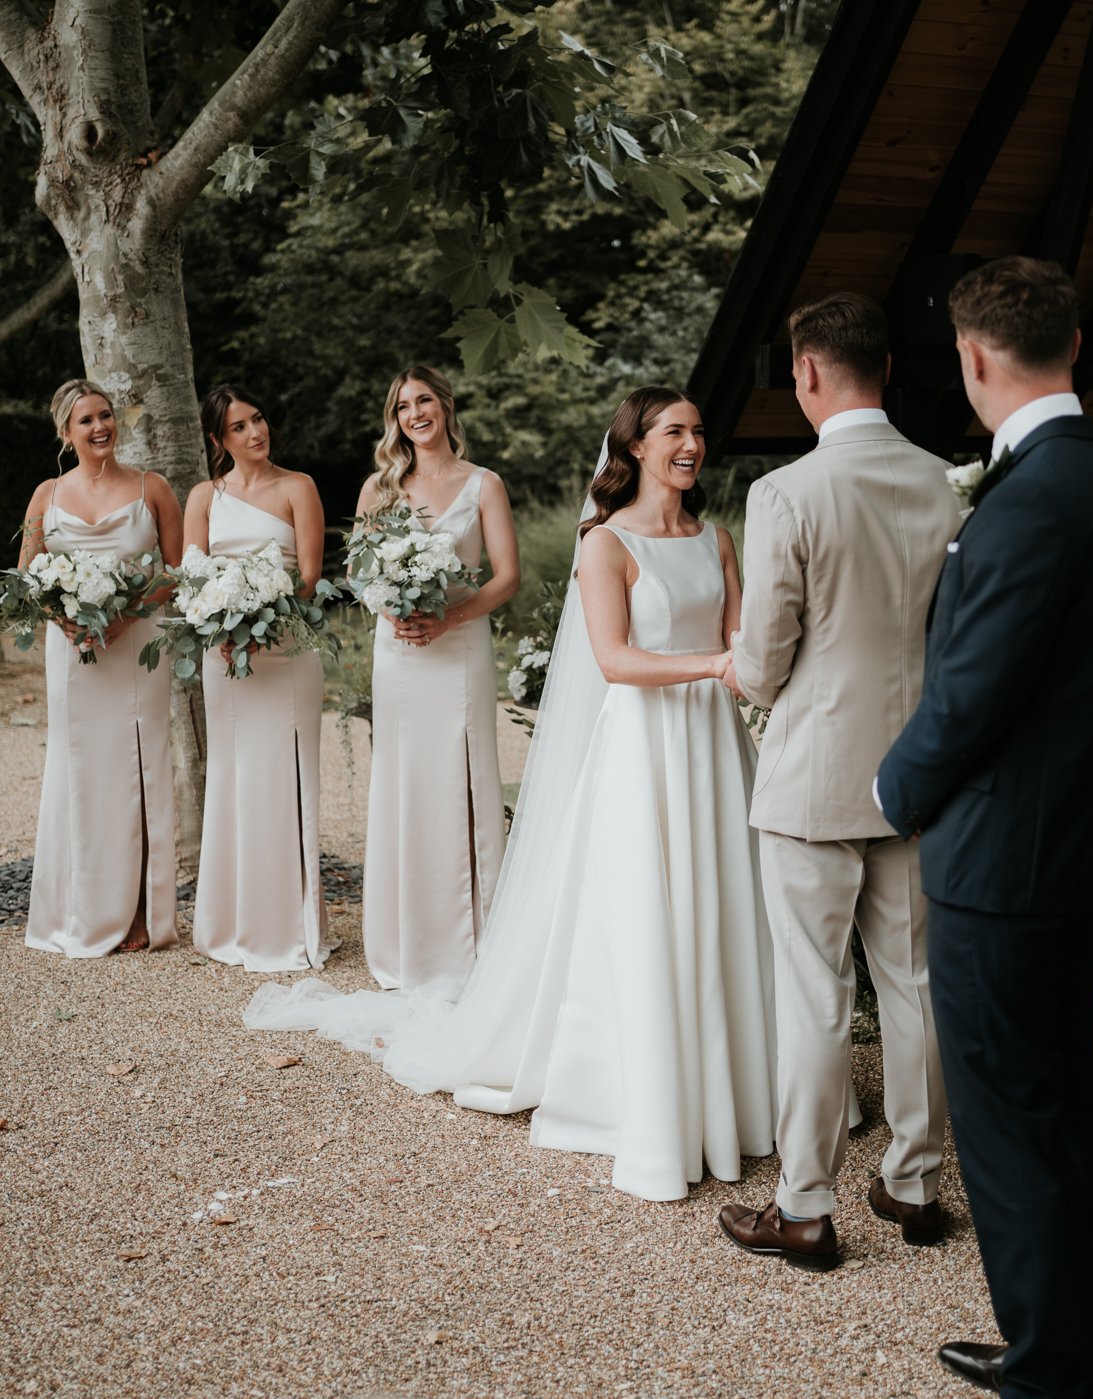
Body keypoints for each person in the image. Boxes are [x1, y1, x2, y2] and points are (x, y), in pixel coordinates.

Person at [246, 387, 778, 1203]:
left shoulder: (717, 539)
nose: (693, 445)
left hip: (711, 745)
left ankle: (740, 1091)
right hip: (645, 746)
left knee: (723, 899)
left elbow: (742, 643)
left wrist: (764, 669)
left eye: (699, 431)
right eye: (675, 431)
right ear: (635, 447)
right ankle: (644, 1093)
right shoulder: (605, 544)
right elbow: (615, 660)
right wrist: (714, 669)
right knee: (646, 907)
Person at [876, 256, 1093, 1399]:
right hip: (1071, 838)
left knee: (1007, 1129)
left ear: (975, 359)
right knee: (1066, 1109)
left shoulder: (1028, 496)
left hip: (1001, 855)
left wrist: (894, 788)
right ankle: (1076, 1346)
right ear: (1075, 342)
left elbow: (970, 692)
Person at [716, 292, 957, 1274]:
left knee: (814, 992)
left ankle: (804, 1205)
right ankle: (913, 1183)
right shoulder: (950, 483)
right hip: (917, 776)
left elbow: (763, 663)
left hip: (814, 778)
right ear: (887, 370)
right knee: (916, 983)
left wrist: (736, 666)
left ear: (807, 373)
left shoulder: (787, 494)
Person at [356, 366, 518, 991]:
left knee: (463, 775)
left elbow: (505, 576)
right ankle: (404, 939)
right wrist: (392, 608)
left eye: (425, 401)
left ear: (447, 407)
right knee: (405, 780)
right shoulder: (380, 489)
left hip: (461, 647)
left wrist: (449, 616)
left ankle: (474, 935)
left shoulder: (485, 485)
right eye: (403, 406)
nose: (416, 413)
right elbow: (363, 573)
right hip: (399, 652)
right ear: (394, 420)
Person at [23, 380, 182, 957]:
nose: (100, 428)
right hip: (73, 655)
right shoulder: (46, 495)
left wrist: (127, 614)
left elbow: (175, 573)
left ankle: (140, 909)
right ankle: (77, 905)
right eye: (86, 420)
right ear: (66, 433)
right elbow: (28, 579)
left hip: (137, 648)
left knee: (137, 769)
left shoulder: (152, 488)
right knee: (79, 770)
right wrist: (62, 618)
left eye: (106, 416)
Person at [187, 385, 333, 972]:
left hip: (287, 651)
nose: (256, 432)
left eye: (259, 418)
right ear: (220, 440)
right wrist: (222, 623)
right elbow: (194, 576)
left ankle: (288, 925)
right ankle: (231, 920)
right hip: (224, 657)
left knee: (286, 779)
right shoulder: (205, 496)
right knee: (234, 779)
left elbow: (309, 576)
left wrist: (258, 612)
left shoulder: (299, 487)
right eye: (240, 427)